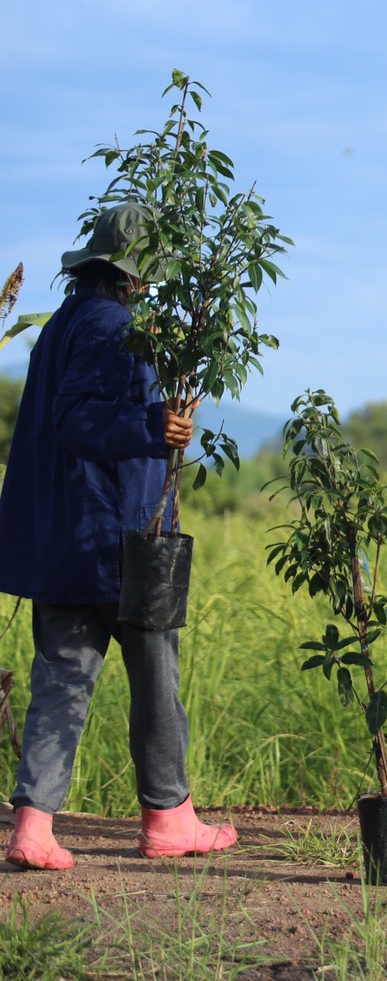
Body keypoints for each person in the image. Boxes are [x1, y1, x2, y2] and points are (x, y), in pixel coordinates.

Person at [0, 203, 236, 870]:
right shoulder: (111, 325)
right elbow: (79, 420)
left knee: (60, 680)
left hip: (64, 540)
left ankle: (33, 826)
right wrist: (154, 427)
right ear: (135, 272)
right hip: (118, 538)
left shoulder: (64, 325)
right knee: (157, 677)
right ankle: (168, 816)